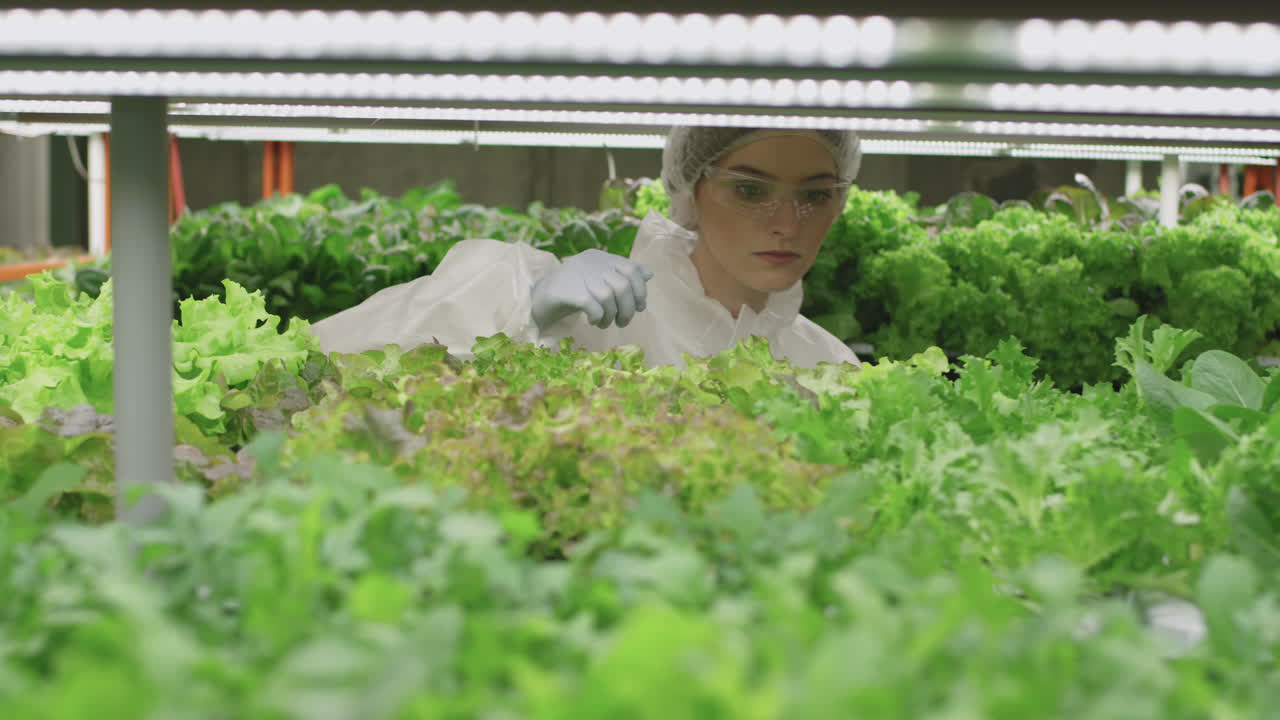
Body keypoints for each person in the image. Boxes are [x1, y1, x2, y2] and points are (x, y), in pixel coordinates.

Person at [311, 125, 863, 369]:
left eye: (815, 195)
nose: (787, 223)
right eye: (750, 190)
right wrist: (519, 311)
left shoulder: (827, 362)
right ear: (691, 190)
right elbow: (330, 360)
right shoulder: (583, 317)